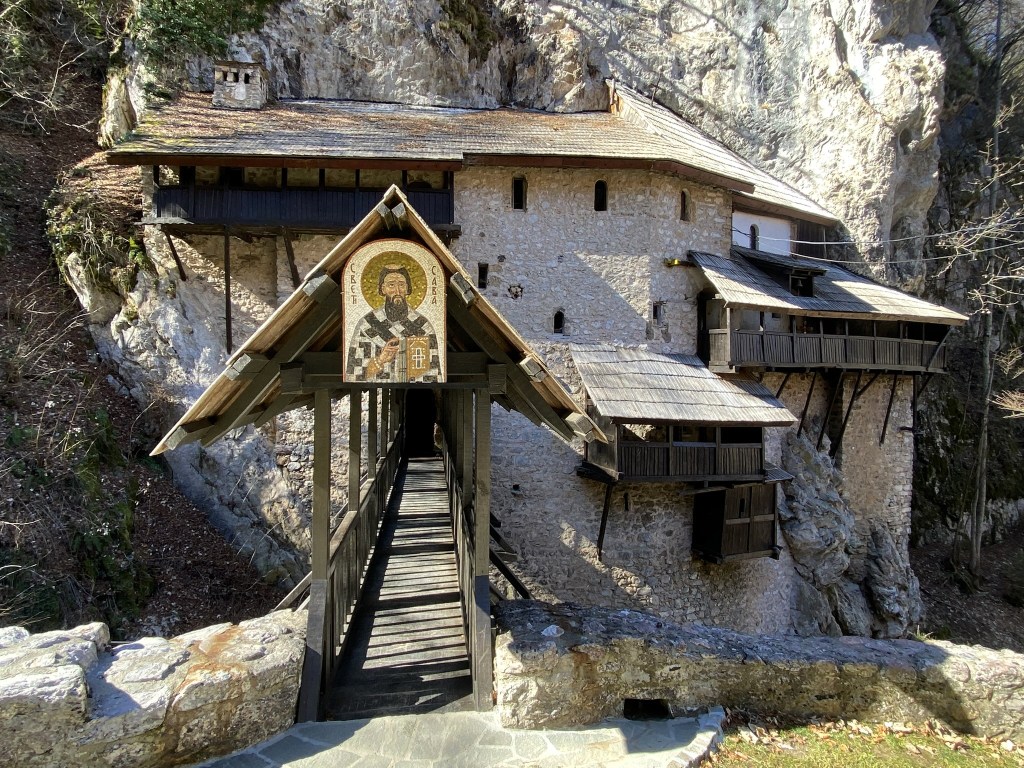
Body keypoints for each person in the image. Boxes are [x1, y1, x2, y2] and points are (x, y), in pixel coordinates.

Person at [346, 264, 440, 382]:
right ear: (383, 289)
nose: (397, 291)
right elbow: (354, 375)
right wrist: (380, 360)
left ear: (407, 289)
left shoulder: (422, 326)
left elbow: (432, 375)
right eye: (391, 285)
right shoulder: (368, 324)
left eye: (401, 285)